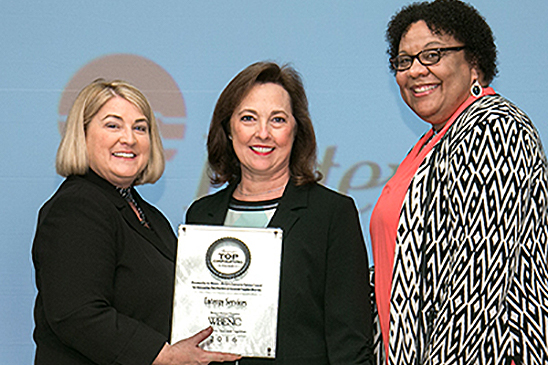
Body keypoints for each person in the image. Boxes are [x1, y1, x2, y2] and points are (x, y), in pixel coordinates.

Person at [370, 0, 548, 364]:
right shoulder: (432, 142)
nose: (415, 71)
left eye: (432, 55)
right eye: (404, 61)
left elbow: (477, 286)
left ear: (475, 64)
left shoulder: (494, 129)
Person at [32, 79, 241, 365]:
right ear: (82, 135)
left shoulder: (148, 215)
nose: (129, 138)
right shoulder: (76, 207)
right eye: (112, 125)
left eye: (140, 128)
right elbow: (76, 314)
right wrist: (163, 355)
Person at [185, 61, 374, 364]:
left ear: (296, 130)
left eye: (277, 120)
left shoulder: (331, 214)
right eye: (248, 118)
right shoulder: (200, 216)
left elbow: (349, 341)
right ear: (228, 129)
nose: (263, 133)